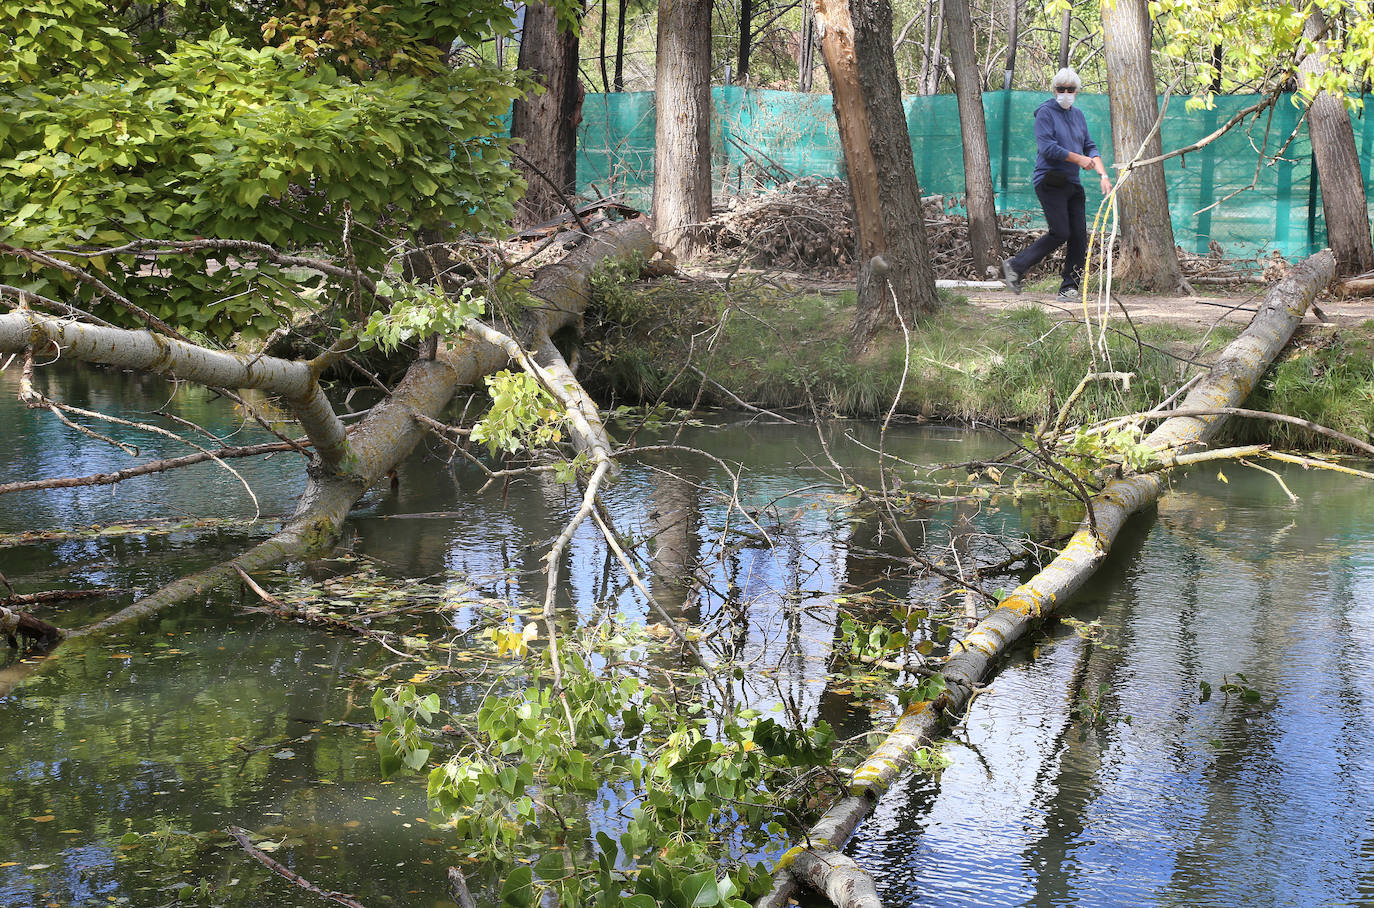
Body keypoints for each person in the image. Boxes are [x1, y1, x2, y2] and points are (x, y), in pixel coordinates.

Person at [1001, 68, 1112, 303]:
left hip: (1072, 183)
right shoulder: (1045, 113)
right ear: (1054, 90)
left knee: (1079, 237)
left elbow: (1090, 146)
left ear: (1077, 92)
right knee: (1060, 232)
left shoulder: (1078, 115)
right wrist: (1078, 159)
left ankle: (1069, 288)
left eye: (1070, 90)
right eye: (1060, 89)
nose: (1065, 93)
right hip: (1050, 180)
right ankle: (1014, 265)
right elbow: (1047, 148)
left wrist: (1103, 174)